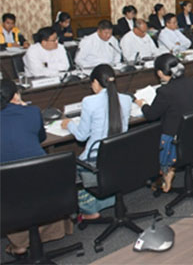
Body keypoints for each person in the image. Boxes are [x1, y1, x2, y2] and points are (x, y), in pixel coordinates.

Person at [1, 80, 72, 256]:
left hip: (7, 187)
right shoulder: (32, 112)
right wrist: (24, 108)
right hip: (42, 179)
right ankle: (48, 234)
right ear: (16, 95)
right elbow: (40, 137)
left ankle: (20, 244)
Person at [62, 64, 132, 219]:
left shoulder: (89, 102)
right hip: (118, 155)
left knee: (65, 169)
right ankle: (111, 199)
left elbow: (81, 136)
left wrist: (70, 125)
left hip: (95, 159)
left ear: (95, 82)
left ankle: (89, 208)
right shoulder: (126, 99)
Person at [135, 54, 193, 192]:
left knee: (148, 133)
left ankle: (166, 170)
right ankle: (169, 169)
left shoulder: (165, 91)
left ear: (160, 73)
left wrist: (142, 104)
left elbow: (151, 115)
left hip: (175, 141)